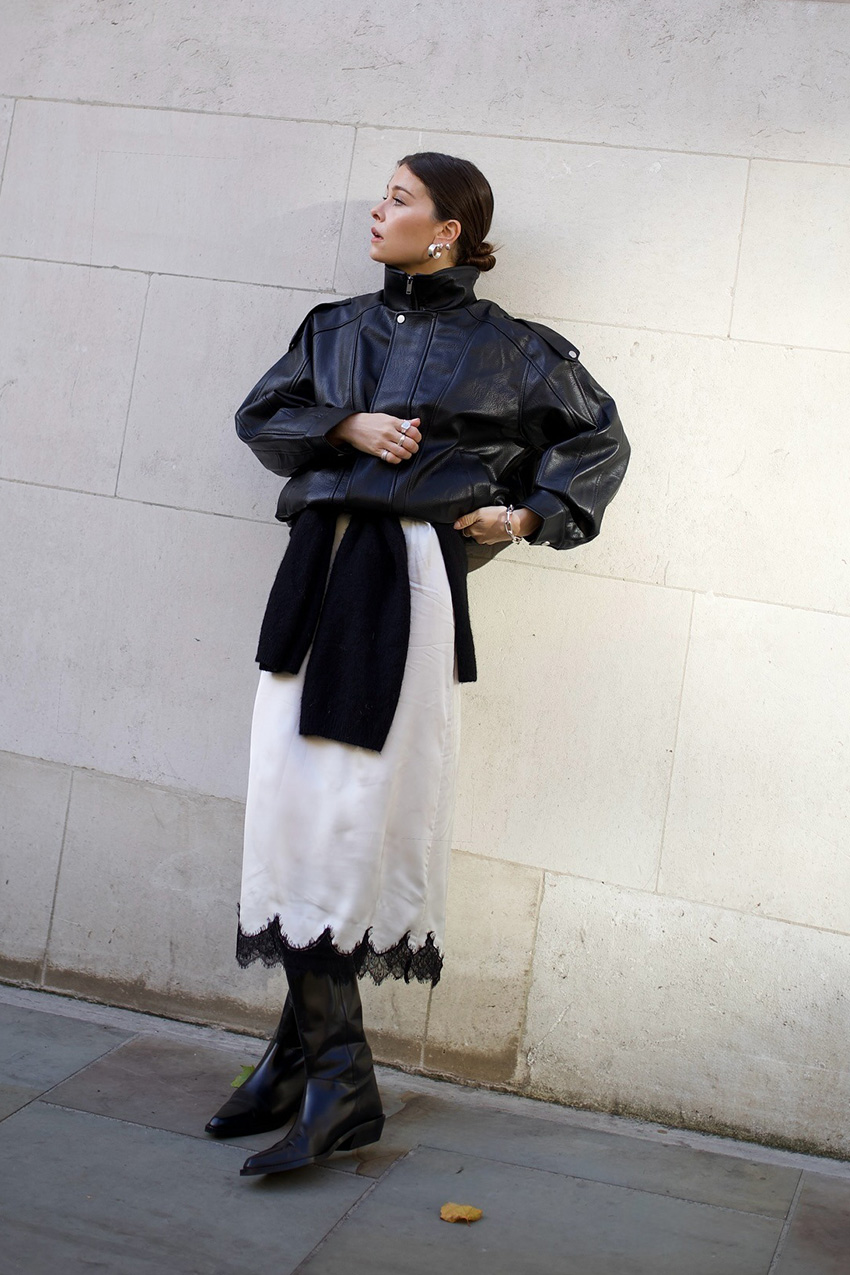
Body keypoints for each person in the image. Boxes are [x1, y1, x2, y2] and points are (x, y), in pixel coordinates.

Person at [205, 152, 630, 1177]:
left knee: (351, 812)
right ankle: (300, 1061)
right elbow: (262, 416)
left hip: (403, 584)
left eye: (398, 199)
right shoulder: (333, 328)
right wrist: (343, 422)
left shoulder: (515, 351)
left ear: (447, 231)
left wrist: (524, 515)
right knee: (293, 802)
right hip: (315, 572)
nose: (376, 209)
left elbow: (598, 443)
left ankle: (337, 1079)